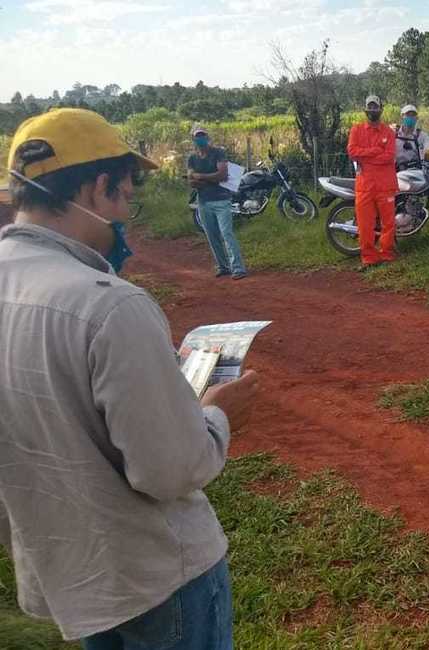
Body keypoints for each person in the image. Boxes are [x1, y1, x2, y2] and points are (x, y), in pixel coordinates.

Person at [1, 107, 259, 648]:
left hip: (73, 571)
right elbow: (169, 470)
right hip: (158, 577)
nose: (125, 214)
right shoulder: (111, 307)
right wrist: (217, 413)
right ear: (98, 188)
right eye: (125, 197)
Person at [188, 124, 247, 279]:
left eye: (203, 136)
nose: (201, 139)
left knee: (227, 234)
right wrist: (207, 178)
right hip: (203, 202)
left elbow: (222, 175)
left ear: (207, 138)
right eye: (197, 137)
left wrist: (200, 177)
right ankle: (223, 266)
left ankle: (238, 268)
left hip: (221, 199)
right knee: (212, 235)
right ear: (193, 139)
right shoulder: (192, 158)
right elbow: (191, 180)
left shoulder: (218, 153)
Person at [348, 95, 398, 267]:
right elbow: (352, 152)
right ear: (365, 110)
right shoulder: (356, 130)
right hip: (364, 187)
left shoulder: (389, 133)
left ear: (381, 109)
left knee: (388, 223)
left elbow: (389, 156)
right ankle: (369, 257)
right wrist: (376, 151)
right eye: (370, 107)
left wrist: (366, 157)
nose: (372, 110)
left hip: (385, 186)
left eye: (375, 107)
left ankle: (386, 254)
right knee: (365, 225)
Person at [394, 104, 429, 171]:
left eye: (413, 115)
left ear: (416, 118)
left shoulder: (422, 136)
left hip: (418, 171)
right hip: (398, 172)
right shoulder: (394, 135)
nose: (410, 117)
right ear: (402, 117)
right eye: (408, 115)